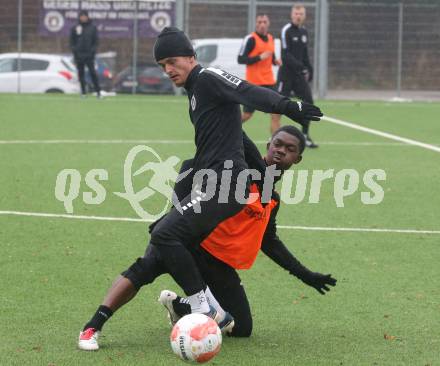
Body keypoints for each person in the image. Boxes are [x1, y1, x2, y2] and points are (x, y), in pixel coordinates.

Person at [78, 27, 323, 349]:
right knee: (156, 250)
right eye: (162, 64)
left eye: (172, 61)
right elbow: (229, 146)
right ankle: (92, 327)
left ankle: (200, 305)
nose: (167, 69)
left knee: (164, 235)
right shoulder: (196, 92)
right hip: (210, 187)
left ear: (191, 57)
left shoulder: (208, 78)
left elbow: (248, 90)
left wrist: (288, 106)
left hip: (227, 184)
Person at [77, 126, 336, 350]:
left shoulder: (272, 200)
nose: (280, 150)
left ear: (297, 159)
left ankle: (181, 307)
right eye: (277, 144)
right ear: (268, 146)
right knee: (144, 268)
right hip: (188, 244)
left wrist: (305, 275)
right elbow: (190, 166)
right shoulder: (238, 168)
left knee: (241, 327)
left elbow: (269, 242)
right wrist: (174, 215)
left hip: (216, 260)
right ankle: (92, 326)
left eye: (289, 149)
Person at [272, 4, 318, 148]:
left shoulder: (304, 32)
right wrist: (301, 67)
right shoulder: (286, 30)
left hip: (298, 76)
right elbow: (285, 55)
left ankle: (304, 135)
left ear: (304, 16)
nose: (298, 16)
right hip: (286, 75)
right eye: (296, 13)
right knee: (278, 106)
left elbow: (304, 54)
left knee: (309, 103)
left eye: (301, 14)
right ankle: (274, 139)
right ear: (292, 15)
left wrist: (310, 69)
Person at [237, 14, 282, 133]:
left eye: (264, 22)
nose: (262, 24)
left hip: (270, 82)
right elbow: (240, 59)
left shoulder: (271, 38)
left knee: (276, 113)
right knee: (246, 115)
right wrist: (259, 57)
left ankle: (274, 142)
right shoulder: (250, 39)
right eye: (259, 22)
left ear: (268, 24)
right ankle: (224, 129)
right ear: (255, 23)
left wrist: (275, 61)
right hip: (254, 84)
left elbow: (271, 57)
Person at [69, 10, 101, 98]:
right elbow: (72, 42)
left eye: (84, 16)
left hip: (89, 56)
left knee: (93, 73)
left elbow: (95, 41)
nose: (83, 18)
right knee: (81, 74)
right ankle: (83, 92)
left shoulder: (92, 28)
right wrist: (75, 51)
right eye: (81, 16)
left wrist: (92, 52)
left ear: (87, 17)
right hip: (79, 56)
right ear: (79, 17)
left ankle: (98, 92)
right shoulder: (75, 28)